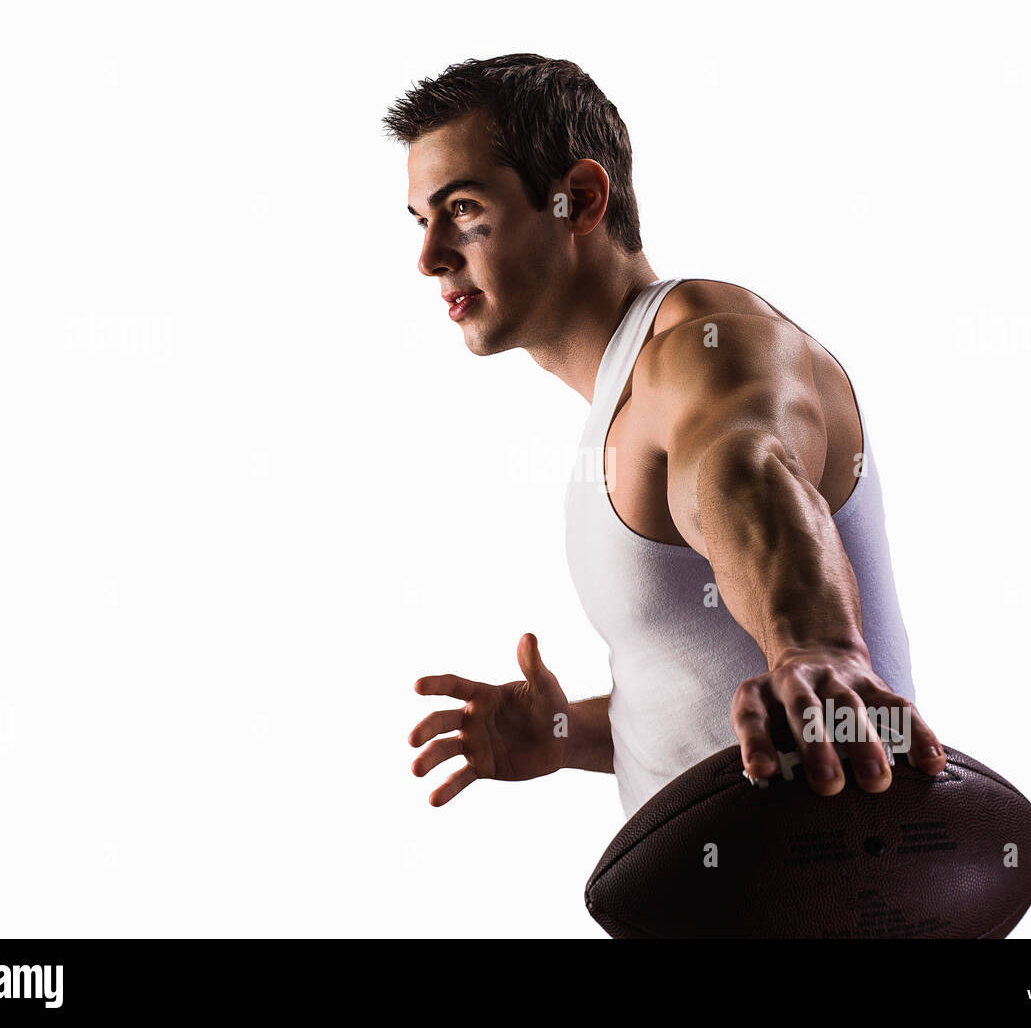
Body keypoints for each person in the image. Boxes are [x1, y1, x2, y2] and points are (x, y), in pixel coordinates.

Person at [385, 53, 946, 821]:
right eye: (422, 220)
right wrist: (565, 733)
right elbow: (710, 703)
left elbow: (749, 466)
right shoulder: (620, 399)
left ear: (578, 200)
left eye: (464, 210)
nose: (429, 257)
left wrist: (814, 648)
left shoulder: (706, 347)